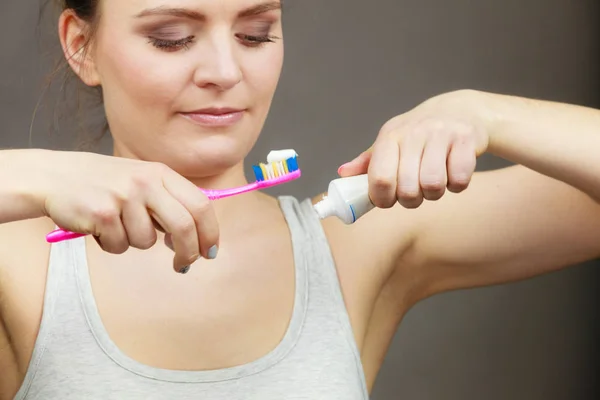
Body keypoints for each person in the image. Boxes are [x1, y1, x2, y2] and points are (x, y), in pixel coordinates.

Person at [0, 0, 598, 399]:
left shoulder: (355, 244)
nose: (225, 70)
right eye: (172, 39)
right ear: (81, 45)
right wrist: (31, 175)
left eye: (255, 34)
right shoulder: (18, 264)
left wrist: (487, 113)